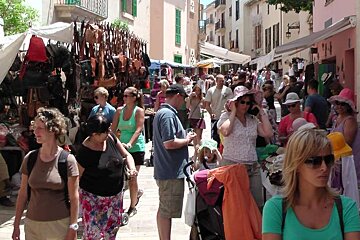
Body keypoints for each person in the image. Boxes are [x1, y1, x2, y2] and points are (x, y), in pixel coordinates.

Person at [262, 129, 360, 240]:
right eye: (314, 161)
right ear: (296, 164)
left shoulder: (346, 207)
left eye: (328, 159)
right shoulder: (275, 208)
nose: (324, 167)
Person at [12, 108, 79, 240]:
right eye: (35, 127)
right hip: (32, 225)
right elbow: (23, 194)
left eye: (40, 128)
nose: (35, 132)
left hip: (59, 226)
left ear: (53, 130)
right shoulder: (30, 158)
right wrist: (16, 225)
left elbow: (75, 197)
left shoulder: (67, 160)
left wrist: (73, 227)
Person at [76, 115, 137, 239]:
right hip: (94, 201)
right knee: (94, 235)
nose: (108, 133)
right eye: (105, 132)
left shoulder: (110, 138)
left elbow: (126, 155)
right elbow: (77, 178)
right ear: (94, 134)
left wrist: (132, 168)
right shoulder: (85, 151)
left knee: (112, 232)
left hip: (115, 197)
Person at [153, 84, 196, 240]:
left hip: (166, 169)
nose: (184, 102)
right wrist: (187, 140)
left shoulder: (164, 113)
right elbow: (169, 143)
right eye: (184, 98)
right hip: (169, 170)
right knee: (167, 210)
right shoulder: (168, 115)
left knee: (164, 207)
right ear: (178, 95)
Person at [217, 86, 273, 207]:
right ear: (236, 102)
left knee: (256, 204)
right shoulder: (226, 117)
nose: (246, 105)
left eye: (248, 102)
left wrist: (261, 110)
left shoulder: (252, 119)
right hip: (233, 166)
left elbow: (268, 133)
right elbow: (225, 131)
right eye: (242, 102)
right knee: (236, 206)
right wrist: (233, 112)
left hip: (253, 166)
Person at [111, 86, 145, 216]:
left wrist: (130, 144)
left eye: (126, 96)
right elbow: (113, 128)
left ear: (134, 98)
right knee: (119, 178)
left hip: (135, 148)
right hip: (120, 147)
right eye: (123, 96)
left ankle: (132, 206)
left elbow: (138, 129)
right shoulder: (119, 111)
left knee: (132, 176)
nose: (124, 98)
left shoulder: (139, 111)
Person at [328, 88, 360, 184]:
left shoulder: (349, 120)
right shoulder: (338, 117)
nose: (339, 106)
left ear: (348, 106)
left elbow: (347, 143)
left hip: (348, 160)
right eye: (337, 103)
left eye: (343, 104)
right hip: (338, 160)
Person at [204, 74, 233, 146]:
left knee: (225, 138)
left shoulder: (228, 90)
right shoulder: (211, 90)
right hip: (215, 117)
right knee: (215, 137)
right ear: (216, 81)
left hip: (226, 118)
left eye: (223, 81)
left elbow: (232, 103)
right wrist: (211, 114)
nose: (222, 82)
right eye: (220, 81)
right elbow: (207, 105)